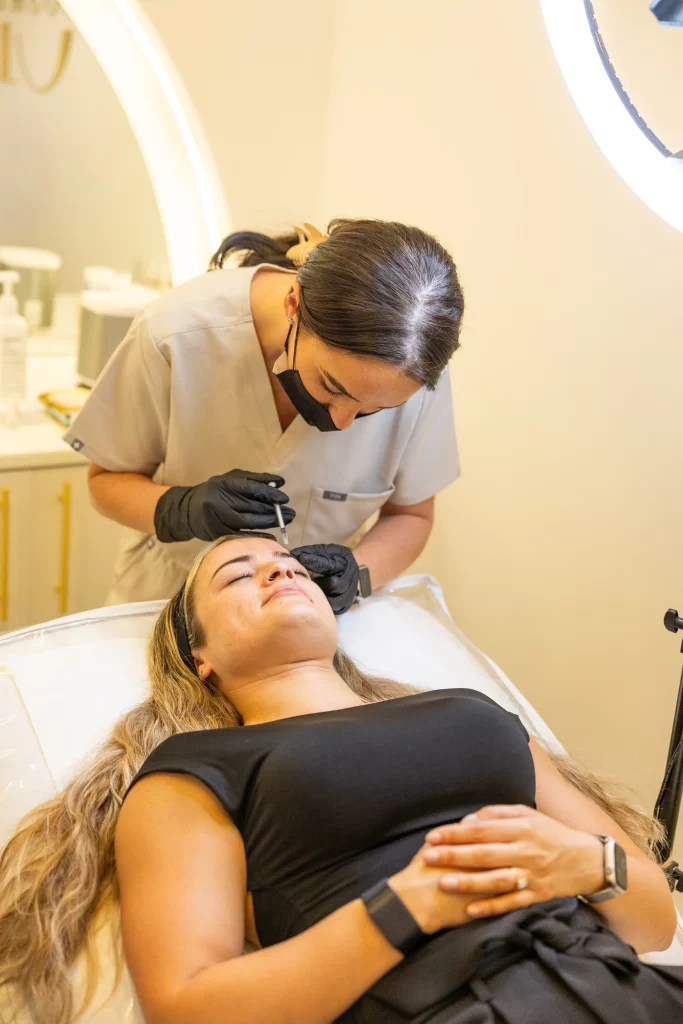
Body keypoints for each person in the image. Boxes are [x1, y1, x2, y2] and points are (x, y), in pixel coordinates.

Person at [1, 536, 681, 1024]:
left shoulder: (468, 710)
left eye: (289, 564)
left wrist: (588, 864)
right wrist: (405, 905)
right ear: (197, 653)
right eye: (239, 576)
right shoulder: (198, 771)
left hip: (619, 986)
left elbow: (654, 922)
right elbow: (189, 1004)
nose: (279, 573)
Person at [64, 219, 464, 612]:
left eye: (377, 408)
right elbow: (105, 481)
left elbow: (411, 515)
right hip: (169, 599)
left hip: (315, 613)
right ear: (293, 305)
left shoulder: (410, 368)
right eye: (332, 387)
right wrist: (179, 508)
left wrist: (357, 575)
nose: (342, 423)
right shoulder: (174, 334)